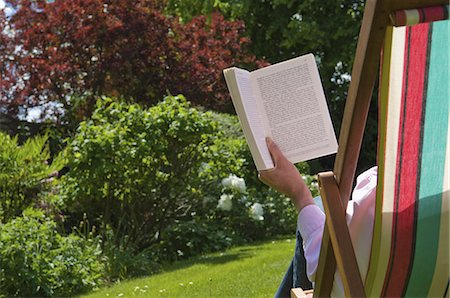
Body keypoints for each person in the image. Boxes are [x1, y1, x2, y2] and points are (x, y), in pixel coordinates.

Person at [258, 138, 377, 297]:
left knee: (314, 211)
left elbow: (327, 269)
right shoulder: (412, 192)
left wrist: (299, 193)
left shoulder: (380, 192)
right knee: (319, 207)